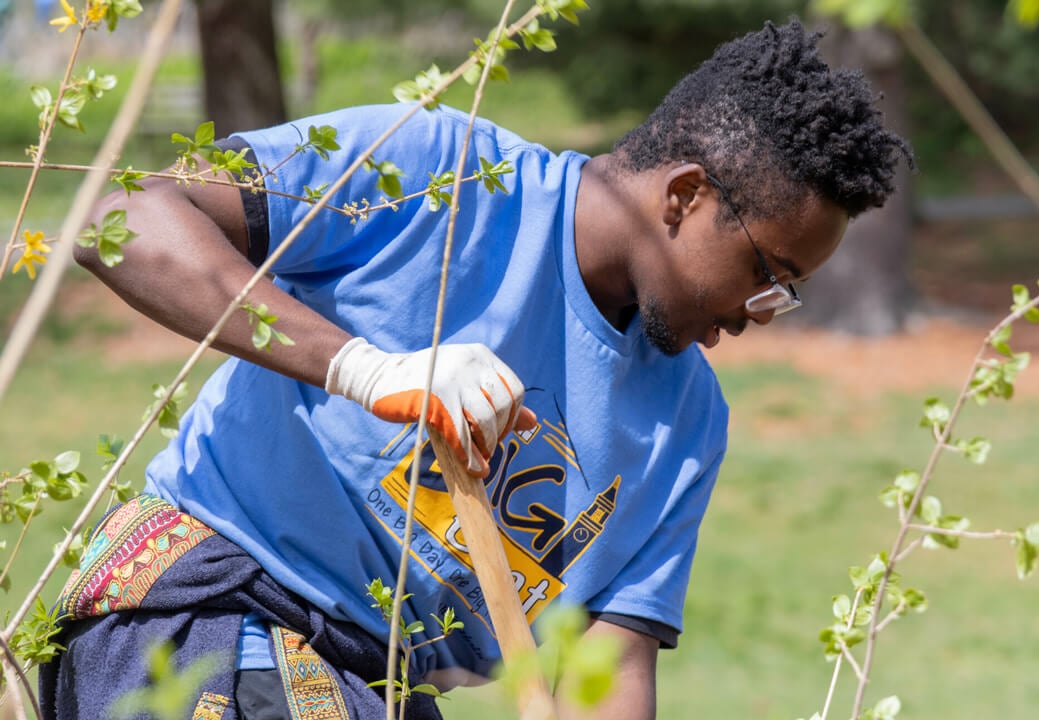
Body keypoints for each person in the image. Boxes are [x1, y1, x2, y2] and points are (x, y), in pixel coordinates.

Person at [40, 19, 908, 720]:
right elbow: (122, 218)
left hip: (375, 691)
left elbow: (607, 662)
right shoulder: (440, 177)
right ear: (683, 198)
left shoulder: (685, 423)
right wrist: (363, 368)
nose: (756, 316)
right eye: (767, 274)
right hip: (211, 617)